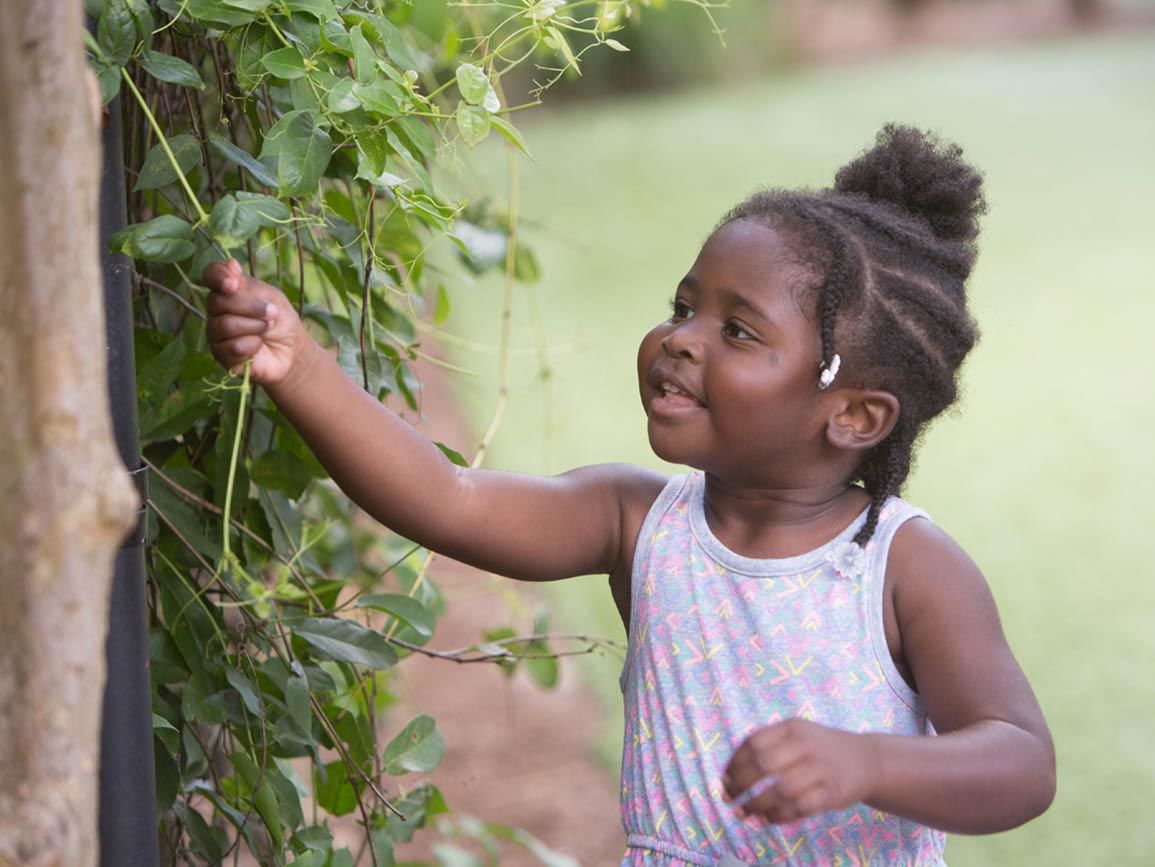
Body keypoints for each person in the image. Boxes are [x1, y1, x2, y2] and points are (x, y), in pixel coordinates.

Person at [204, 124, 1055, 866]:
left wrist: (867, 764)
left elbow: (1019, 761)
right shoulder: (637, 520)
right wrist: (301, 366)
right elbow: (446, 498)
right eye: (682, 307)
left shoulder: (903, 567)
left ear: (854, 414)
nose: (680, 341)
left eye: (736, 330)